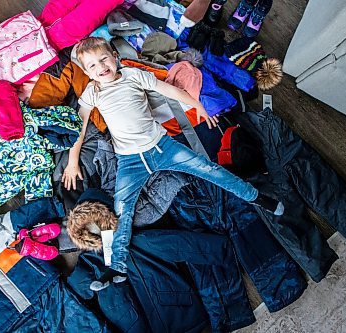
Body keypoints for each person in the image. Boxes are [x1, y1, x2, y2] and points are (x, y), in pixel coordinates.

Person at [62, 37, 283, 291]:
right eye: (92, 66)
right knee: (121, 209)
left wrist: (197, 104)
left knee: (208, 169)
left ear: (114, 56)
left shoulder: (132, 75)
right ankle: (116, 266)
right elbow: (78, 128)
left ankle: (255, 196)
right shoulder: (92, 92)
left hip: (161, 147)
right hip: (130, 160)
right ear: (87, 72)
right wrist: (72, 160)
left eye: (103, 59)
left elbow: (168, 90)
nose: (101, 67)